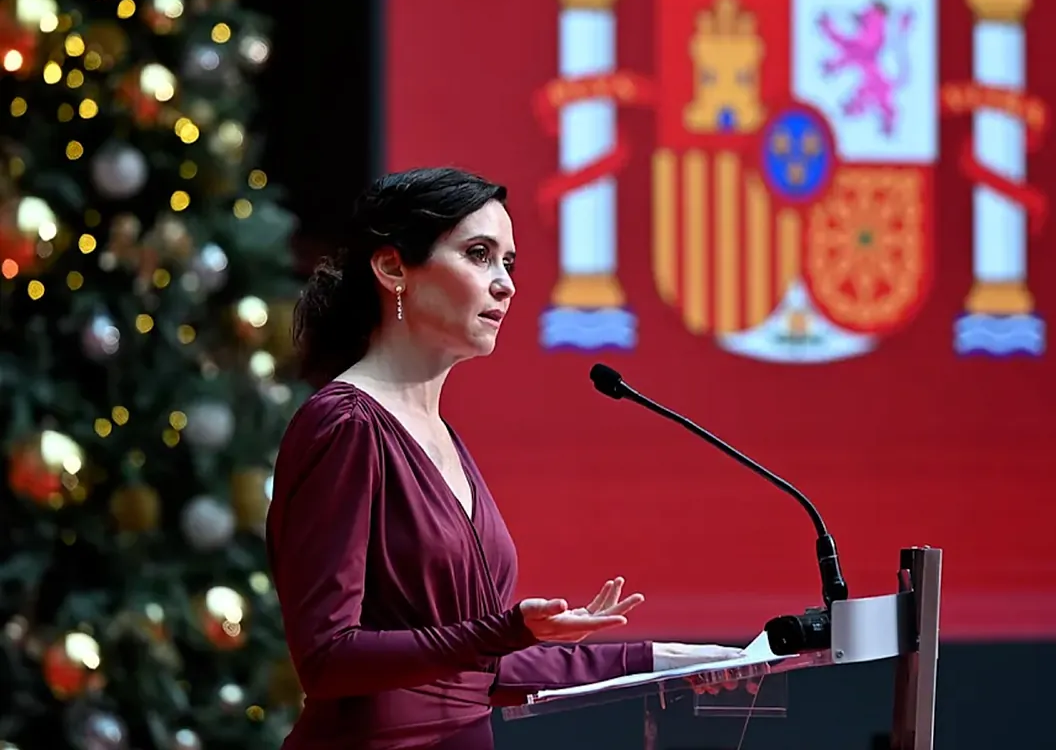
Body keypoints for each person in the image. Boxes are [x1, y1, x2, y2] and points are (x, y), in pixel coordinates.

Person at [266, 167, 743, 750]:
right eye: (478, 254)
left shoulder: (440, 435)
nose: (506, 284)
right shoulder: (346, 425)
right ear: (393, 267)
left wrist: (658, 660)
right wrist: (502, 631)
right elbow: (327, 658)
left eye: (508, 262)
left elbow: (474, 673)